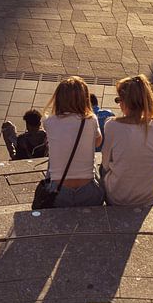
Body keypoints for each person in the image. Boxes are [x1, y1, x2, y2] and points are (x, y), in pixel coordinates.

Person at [101, 74, 153, 207]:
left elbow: (106, 163)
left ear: (125, 102)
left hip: (118, 197)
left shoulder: (112, 125)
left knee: (100, 172)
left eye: (119, 100)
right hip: (150, 195)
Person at [43, 76, 104, 207]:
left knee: (52, 162)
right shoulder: (91, 119)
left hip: (59, 191)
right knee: (94, 164)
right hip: (88, 190)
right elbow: (98, 143)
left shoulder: (49, 122)